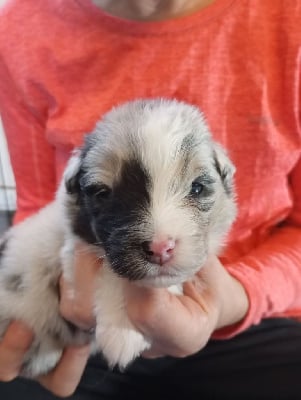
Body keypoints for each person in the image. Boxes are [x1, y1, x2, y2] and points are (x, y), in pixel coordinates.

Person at [0, 0, 301, 398]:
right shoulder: (21, 29)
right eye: (104, 190)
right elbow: (41, 206)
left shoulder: (288, 20)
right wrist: (67, 299)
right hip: (84, 323)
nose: (159, 240)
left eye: (196, 187)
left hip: (261, 314)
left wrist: (232, 299)